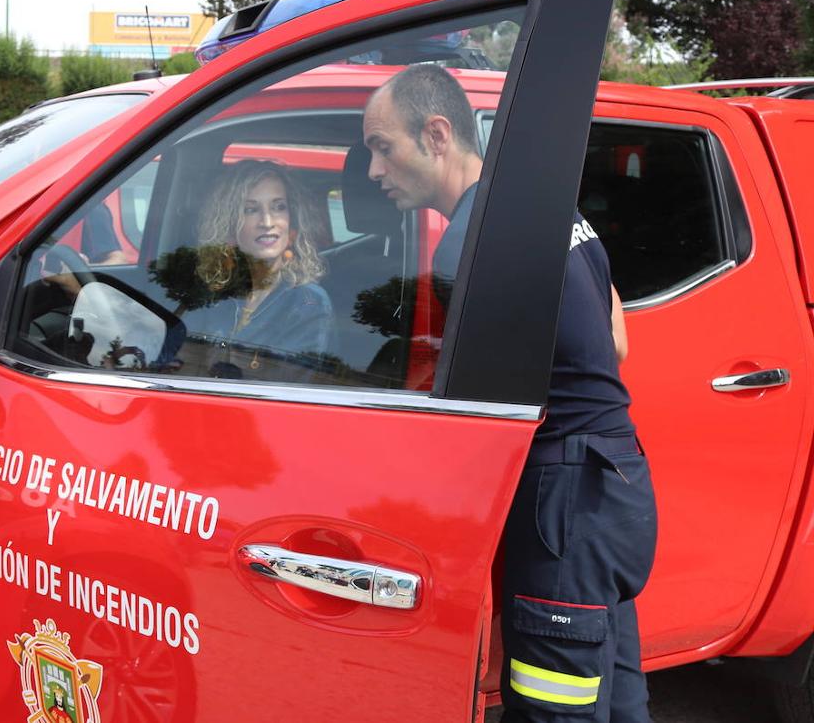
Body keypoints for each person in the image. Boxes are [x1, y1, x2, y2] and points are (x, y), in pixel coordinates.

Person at [363, 65, 655, 723]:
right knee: (618, 700)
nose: (375, 170)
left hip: (564, 511)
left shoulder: (470, 247)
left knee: (556, 711)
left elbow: (472, 420)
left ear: (437, 135)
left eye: (383, 146)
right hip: (618, 485)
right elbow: (615, 339)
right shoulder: (545, 208)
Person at [191, 160, 333, 381]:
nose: (267, 222)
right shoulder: (215, 294)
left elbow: (289, 395)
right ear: (229, 224)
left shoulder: (308, 302)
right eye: (251, 210)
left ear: (292, 220)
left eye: (278, 207)